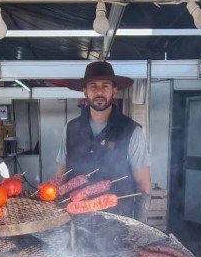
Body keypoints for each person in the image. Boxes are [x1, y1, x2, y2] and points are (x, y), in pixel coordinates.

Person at [56, 61, 152, 220]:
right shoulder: (70, 128)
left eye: (105, 86)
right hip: (76, 222)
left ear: (114, 90)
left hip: (119, 222)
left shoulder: (132, 131)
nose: (99, 91)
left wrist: (140, 225)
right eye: (93, 86)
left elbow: (143, 184)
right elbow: (61, 174)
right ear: (85, 91)